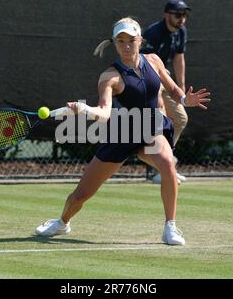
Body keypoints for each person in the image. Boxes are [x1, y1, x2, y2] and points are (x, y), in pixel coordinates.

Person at [35, 17, 210, 245]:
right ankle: (62, 222)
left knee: (168, 164)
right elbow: (105, 112)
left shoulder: (154, 61)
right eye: (120, 42)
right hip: (122, 134)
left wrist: (187, 100)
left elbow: (174, 90)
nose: (126, 46)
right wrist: (85, 109)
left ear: (140, 40)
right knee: (80, 196)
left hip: (152, 129)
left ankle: (170, 227)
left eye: (131, 40)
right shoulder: (110, 77)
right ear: (114, 44)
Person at [141, 0, 191, 184]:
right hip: (148, 79)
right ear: (166, 15)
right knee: (159, 122)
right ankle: (162, 167)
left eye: (184, 15)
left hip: (166, 78)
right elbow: (142, 64)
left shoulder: (181, 32)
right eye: (178, 15)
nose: (182, 19)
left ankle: (165, 166)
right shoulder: (153, 33)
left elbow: (179, 58)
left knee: (180, 119)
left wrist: (181, 87)